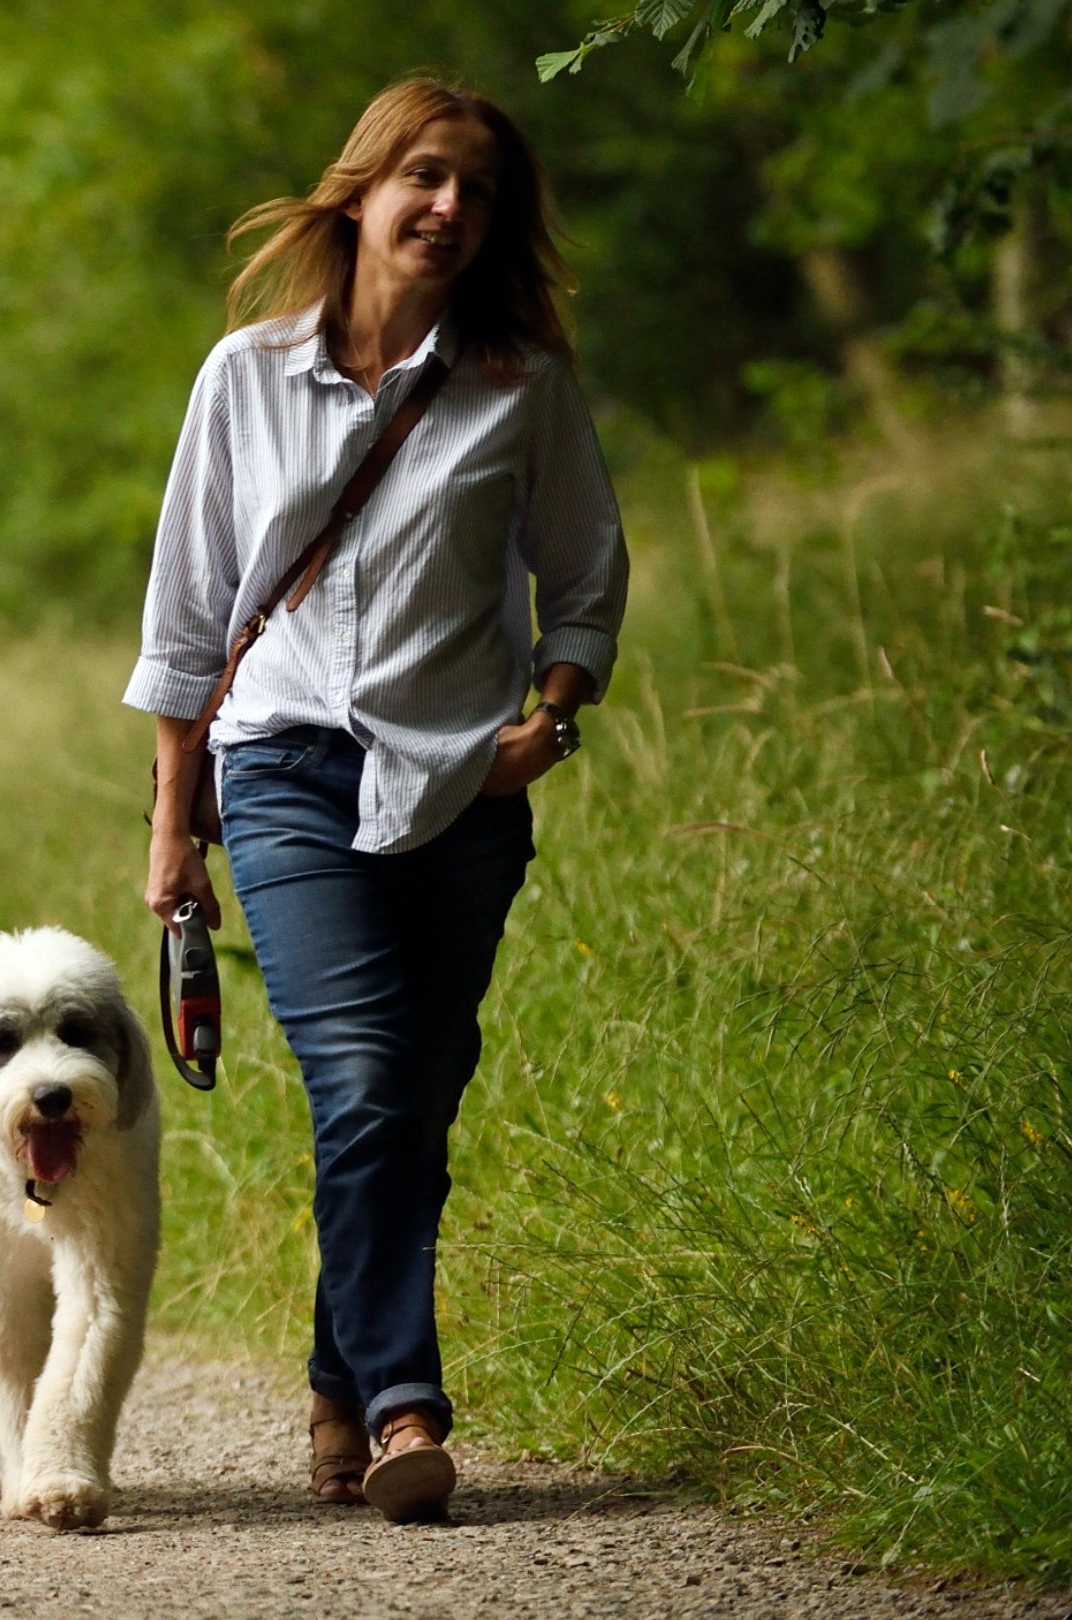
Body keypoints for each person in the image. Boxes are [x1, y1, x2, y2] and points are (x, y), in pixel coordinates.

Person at [128, 78, 628, 1524]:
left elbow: (587, 573)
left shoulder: (520, 384)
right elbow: (186, 614)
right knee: (360, 1078)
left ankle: (337, 1388)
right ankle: (410, 1401)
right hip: (281, 767)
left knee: (415, 1099)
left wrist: (554, 712)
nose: (451, 208)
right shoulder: (243, 376)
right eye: (424, 175)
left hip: (462, 786)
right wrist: (175, 818)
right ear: (358, 191)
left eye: (478, 189)